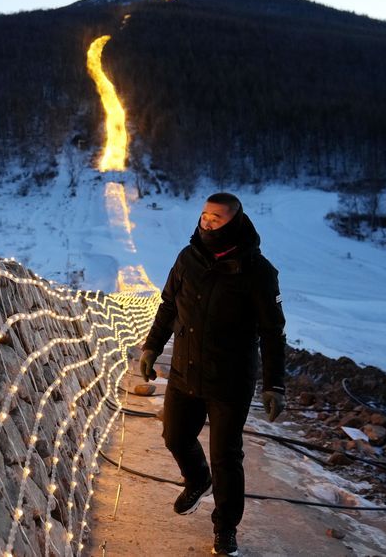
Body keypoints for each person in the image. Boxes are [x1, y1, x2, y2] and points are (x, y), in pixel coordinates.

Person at [139, 192, 287, 556]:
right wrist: (151, 347)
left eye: (216, 217)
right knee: (175, 437)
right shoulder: (187, 259)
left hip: (230, 380)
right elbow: (168, 306)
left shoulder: (258, 271)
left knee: (225, 456)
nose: (207, 222)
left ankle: (225, 528)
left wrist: (274, 385)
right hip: (185, 372)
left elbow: (273, 332)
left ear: (234, 221)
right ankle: (196, 479)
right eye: (205, 215)